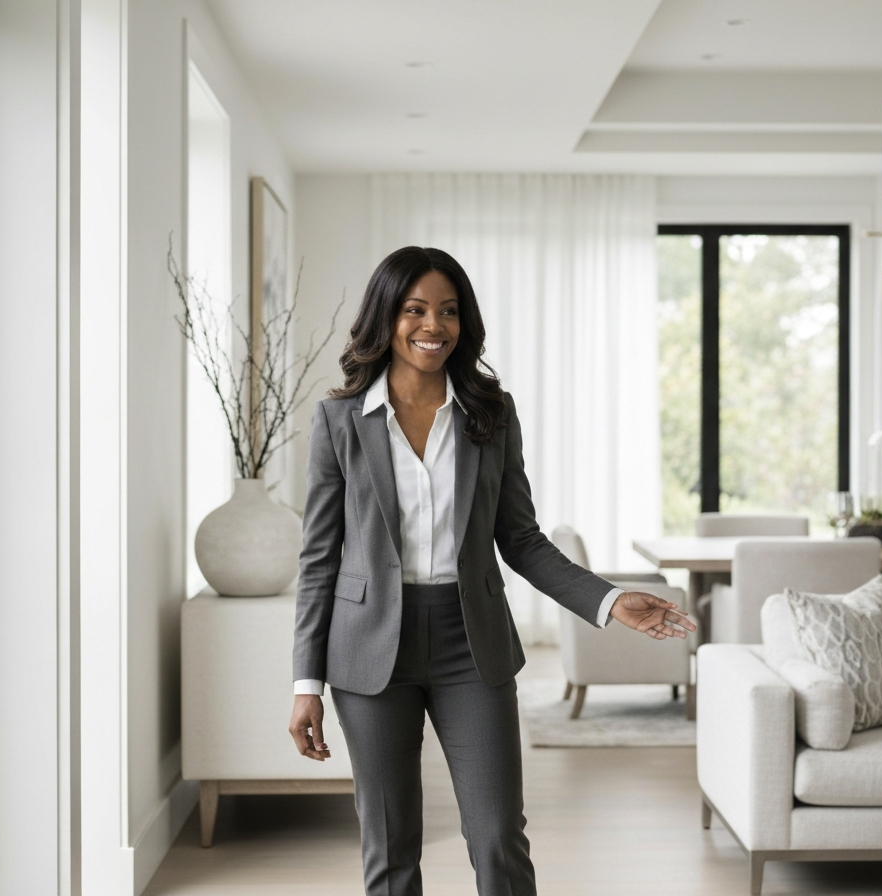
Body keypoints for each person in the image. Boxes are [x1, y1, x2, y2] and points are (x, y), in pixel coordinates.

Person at [288, 246, 694, 896]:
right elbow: (318, 559)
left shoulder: (489, 414)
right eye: (416, 309)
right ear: (386, 316)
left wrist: (611, 600)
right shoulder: (339, 421)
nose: (433, 325)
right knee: (389, 848)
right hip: (367, 655)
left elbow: (522, 540)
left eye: (448, 311)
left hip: (468, 643)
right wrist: (305, 681)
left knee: (498, 834)